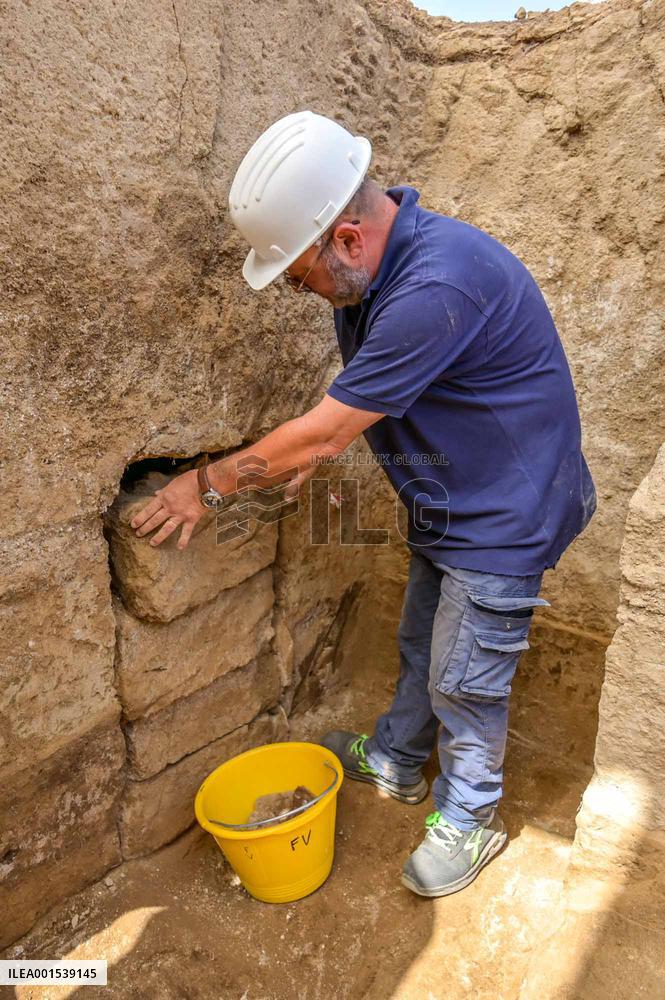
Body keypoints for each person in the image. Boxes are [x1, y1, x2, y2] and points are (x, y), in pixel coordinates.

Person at [130, 111, 596, 897]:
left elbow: (327, 423)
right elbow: (367, 399)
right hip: (452, 501)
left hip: (509, 514)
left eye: (297, 274)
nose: (296, 290)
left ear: (345, 239)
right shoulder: (370, 279)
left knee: (465, 675)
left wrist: (208, 483)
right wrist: (319, 444)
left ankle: (470, 817)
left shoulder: (436, 284)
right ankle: (397, 763)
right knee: (424, 643)